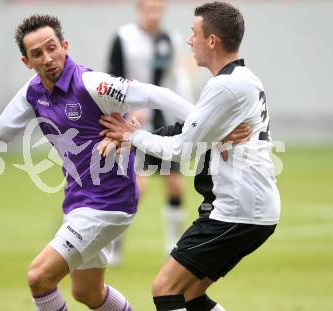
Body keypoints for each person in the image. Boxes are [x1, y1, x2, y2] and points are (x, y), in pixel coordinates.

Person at [0, 14, 248, 311]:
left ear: (65, 46)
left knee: (39, 277)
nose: (48, 57)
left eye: (52, 47)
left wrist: (210, 126)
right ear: (27, 62)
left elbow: (155, 94)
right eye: (37, 53)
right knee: (88, 293)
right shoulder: (32, 93)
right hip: (79, 202)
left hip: (109, 201)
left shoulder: (93, 83)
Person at [100, 2, 281, 310]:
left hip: (236, 211)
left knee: (165, 288)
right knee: (190, 294)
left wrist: (132, 137)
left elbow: (182, 149)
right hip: (247, 208)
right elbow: (190, 129)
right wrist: (135, 138)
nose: (188, 40)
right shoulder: (243, 79)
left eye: (194, 32)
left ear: (212, 41)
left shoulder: (225, 86)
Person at [107, 0, 192, 259]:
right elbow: (112, 79)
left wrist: (190, 113)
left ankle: (173, 244)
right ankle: (114, 245)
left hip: (162, 123)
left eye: (159, 10)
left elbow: (175, 79)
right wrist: (126, 110)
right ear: (139, 10)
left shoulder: (170, 39)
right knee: (136, 189)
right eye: (149, 10)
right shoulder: (124, 38)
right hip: (132, 123)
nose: (154, 15)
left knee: (176, 185)